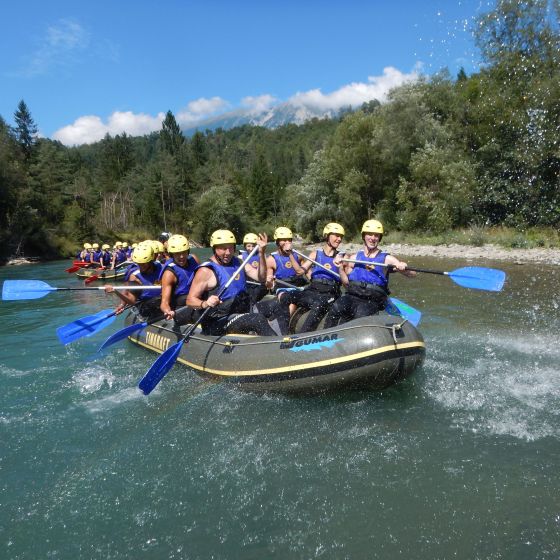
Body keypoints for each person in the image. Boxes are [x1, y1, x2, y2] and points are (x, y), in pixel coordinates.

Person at [323, 219, 416, 328]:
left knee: (359, 316)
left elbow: (412, 274)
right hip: (353, 295)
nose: (373, 238)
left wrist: (402, 267)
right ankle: (326, 336)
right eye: (370, 235)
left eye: (376, 235)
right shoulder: (354, 258)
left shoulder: (387, 259)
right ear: (364, 236)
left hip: (371, 300)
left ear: (379, 238)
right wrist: (341, 268)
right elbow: (346, 283)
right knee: (337, 307)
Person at [186, 230, 277, 336]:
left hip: (242, 311)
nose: (228, 253)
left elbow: (260, 277)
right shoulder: (206, 271)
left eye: (231, 248)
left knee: (277, 304)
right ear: (214, 248)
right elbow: (190, 300)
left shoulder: (238, 262)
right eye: (223, 248)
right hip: (219, 321)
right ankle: (279, 349)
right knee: (257, 319)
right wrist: (205, 303)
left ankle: (284, 339)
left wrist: (261, 253)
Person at [278, 222, 346, 332]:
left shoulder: (343, 257)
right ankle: (283, 333)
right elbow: (300, 271)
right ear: (327, 236)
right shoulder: (315, 254)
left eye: (341, 237)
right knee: (286, 297)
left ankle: (302, 336)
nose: (339, 239)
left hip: (330, 293)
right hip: (313, 290)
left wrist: (342, 266)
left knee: (318, 305)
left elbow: (346, 281)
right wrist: (290, 254)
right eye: (336, 236)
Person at [104, 243, 162, 318]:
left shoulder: (161, 269)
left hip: (162, 301)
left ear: (151, 260)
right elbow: (132, 300)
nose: (141, 267)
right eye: (139, 264)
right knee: (156, 301)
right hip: (146, 305)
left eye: (144, 264)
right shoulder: (135, 276)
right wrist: (115, 291)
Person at [159, 234, 200, 322]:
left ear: (188, 251)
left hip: (197, 298)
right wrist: (167, 311)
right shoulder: (169, 274)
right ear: (171, 254)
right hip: (182, 306)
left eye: (184, 252)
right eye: (177, 254)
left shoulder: (194, 259)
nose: (181, 256)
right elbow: (164, 303)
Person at [266, 227, 307, 292]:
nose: (287, 243)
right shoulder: (271, 260)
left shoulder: (298, 255)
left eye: (289, 240)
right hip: (282, 288)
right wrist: (269, 281)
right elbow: (269, 286)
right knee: (287, 298)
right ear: (277, 242)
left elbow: (306, 272)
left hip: (298, 285)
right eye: (284, 240)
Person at [240, 232, 268, 305]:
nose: (251, 248)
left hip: (259, 283)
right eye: (248, 246)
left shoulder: (262, 255)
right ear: (244, 246)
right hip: (248, 284)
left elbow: (265, 270)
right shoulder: (241, 257)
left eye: (253, 246)